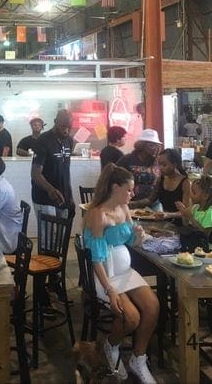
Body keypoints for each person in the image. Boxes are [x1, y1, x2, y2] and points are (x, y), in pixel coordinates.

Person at [83, 164, 159, 384]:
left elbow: (129, 242)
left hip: (125, 271)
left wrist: (137, 235)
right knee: (131, 317)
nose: (132, 194)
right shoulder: (98, 214)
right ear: (115, 187)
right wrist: (110, 291)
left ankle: (138, 358)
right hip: (105, 275)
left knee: (153, 307)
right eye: (128, 190)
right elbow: (97, 259)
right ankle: (111, 344)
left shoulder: (124, 208)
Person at [31, 109, 74, 218]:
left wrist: (70, 197)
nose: (66, 130)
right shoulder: (43, 140)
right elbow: (35, 174)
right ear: (55, 122)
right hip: (44, 198)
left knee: (61, 234)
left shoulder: (69, 140)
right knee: (48, 235)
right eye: (63, 126)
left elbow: (65, 172)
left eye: (69, 126)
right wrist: (50, 190)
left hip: (63, 198)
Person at [130, 148, 191, 218]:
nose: (160, 168)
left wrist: (168, 215)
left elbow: (186, 212)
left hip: (179, 223)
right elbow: (150, 200)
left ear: (174, 164)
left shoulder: (185, 182)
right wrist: (132, 204)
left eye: (164, 165)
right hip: (164, 219)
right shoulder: (161, 178)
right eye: (159, 164)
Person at [116, 129, 161, 205]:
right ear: (142, 145)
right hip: (130, 202)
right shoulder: (127, 160)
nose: (155, 148)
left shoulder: (158, 162)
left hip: (153, 202)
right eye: (151, 145)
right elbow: (114, 178)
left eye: (157, 145)